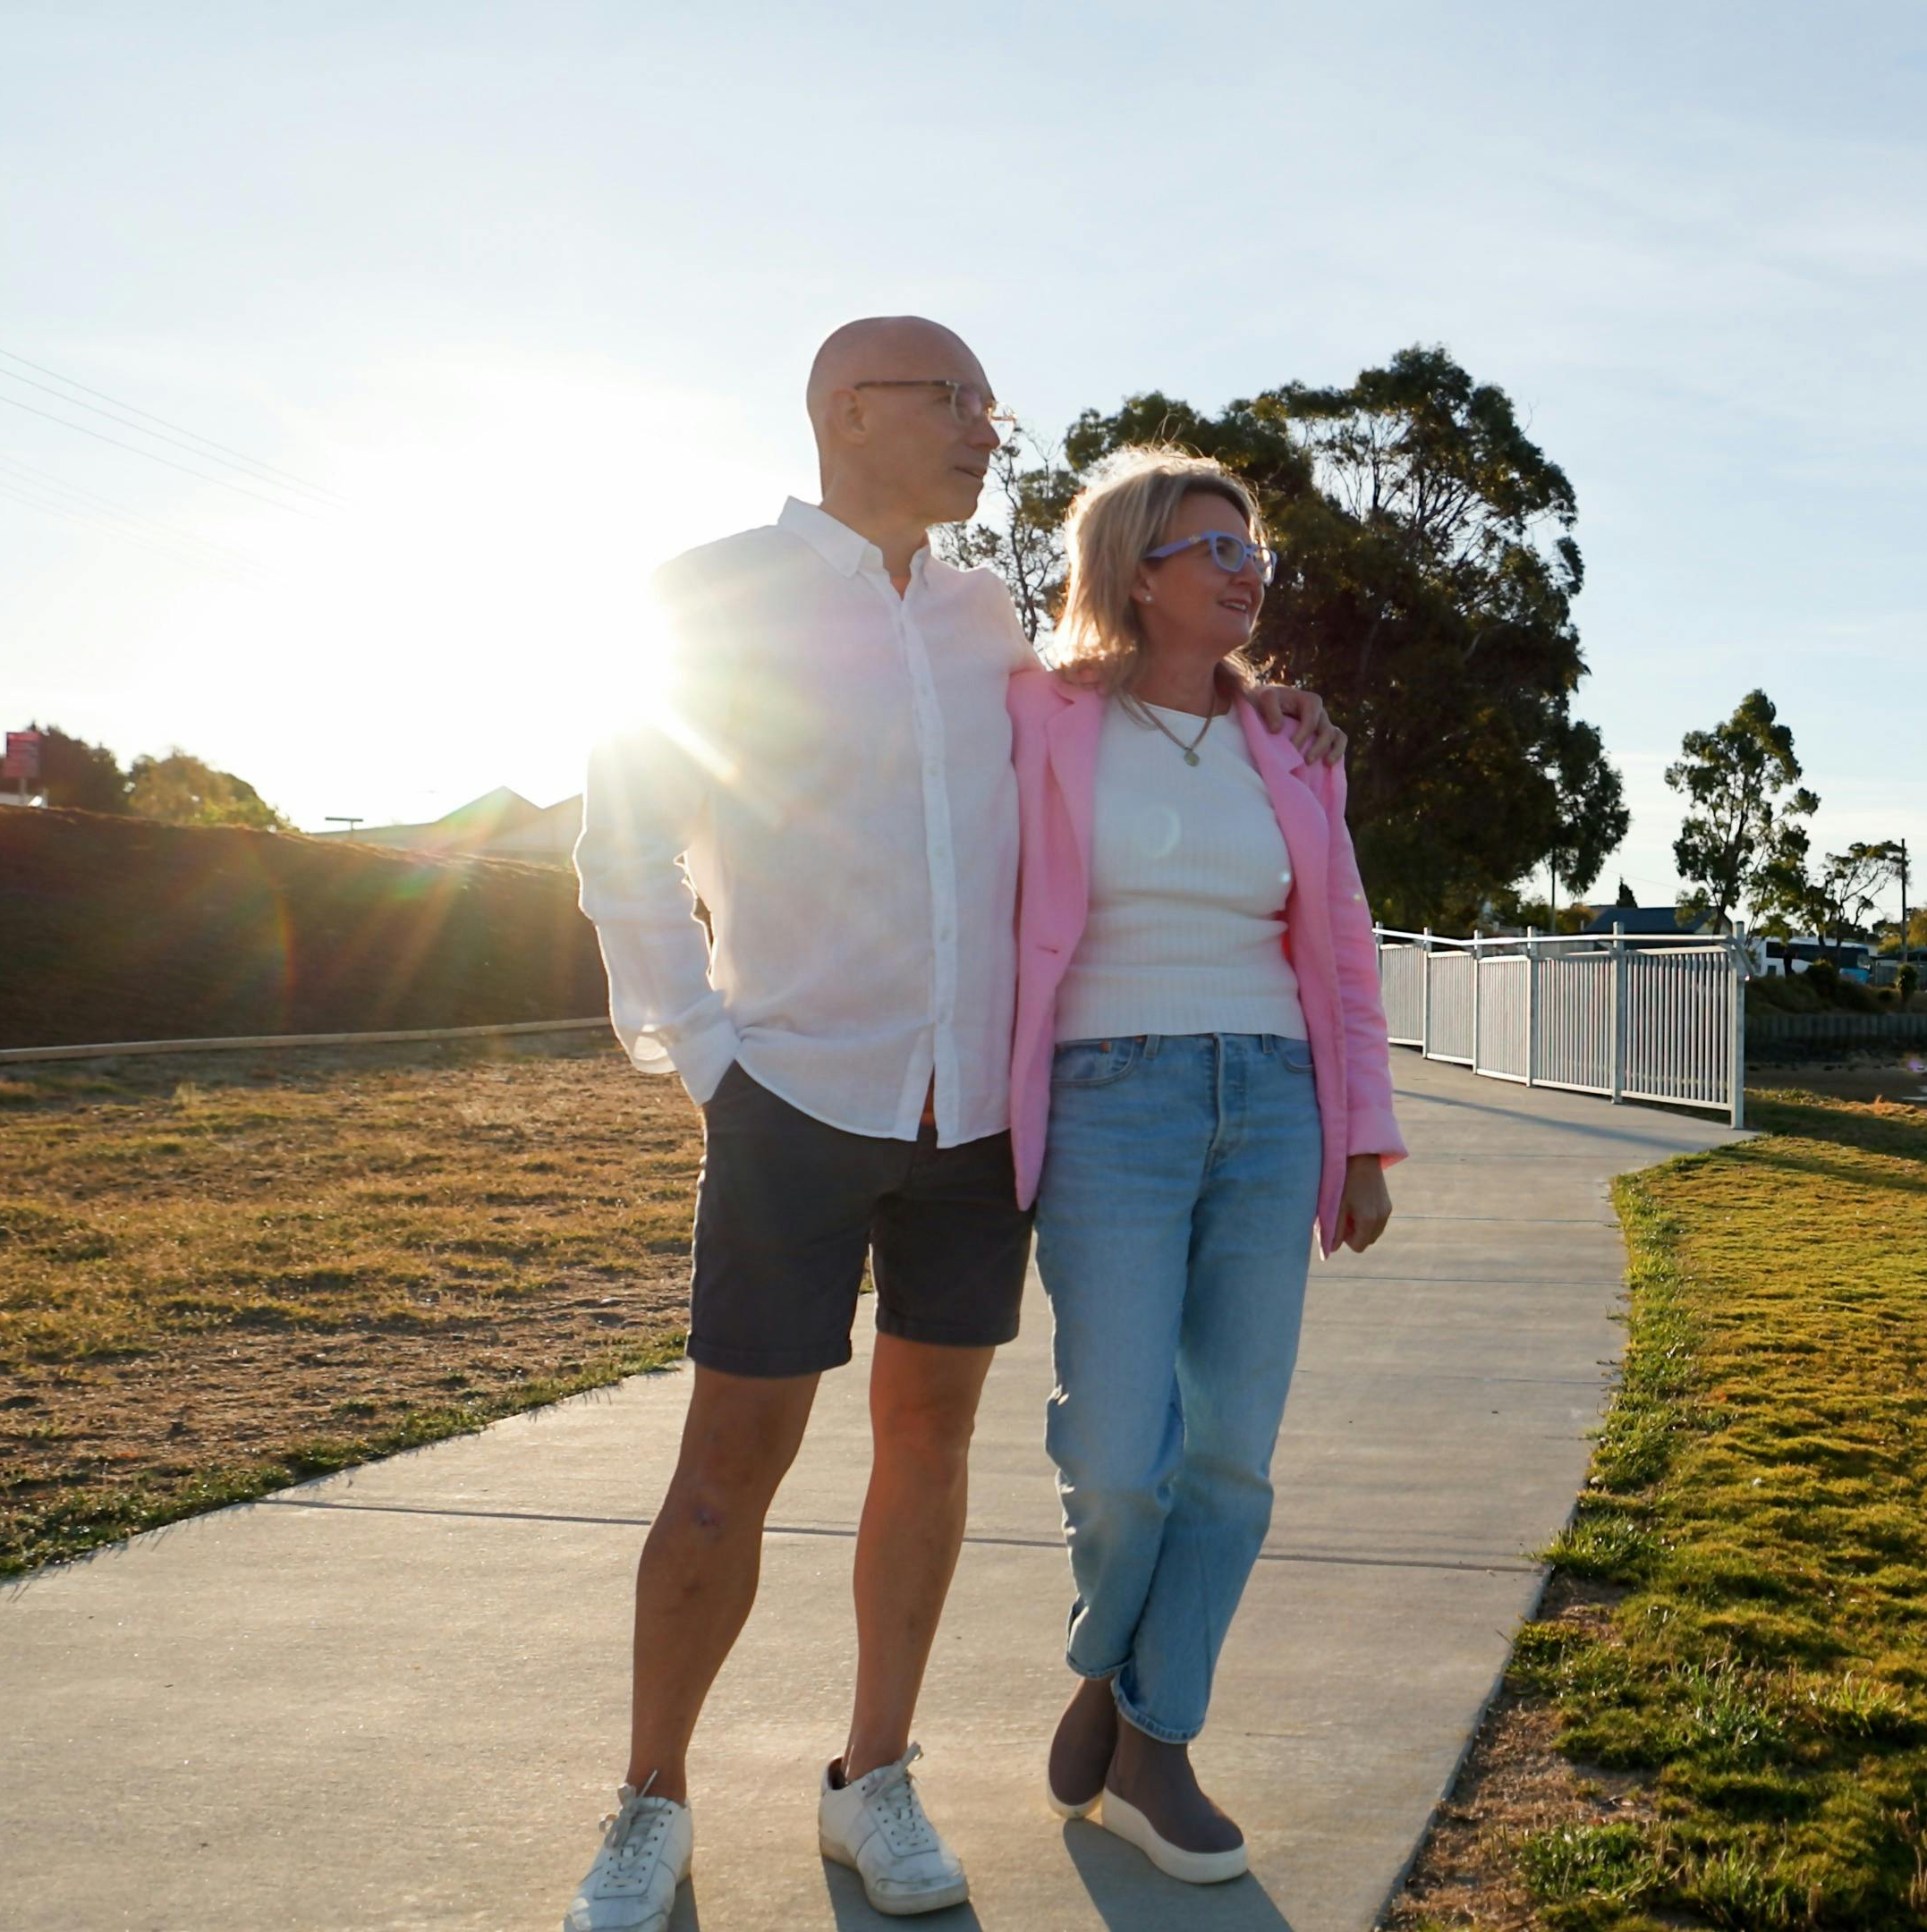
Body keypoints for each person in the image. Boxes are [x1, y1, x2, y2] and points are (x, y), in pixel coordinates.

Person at [562, 320, 1339, 1932]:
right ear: (850, 408)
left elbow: (1143, 708)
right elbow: (623, 846)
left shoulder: (992, 620)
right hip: (794, 1095)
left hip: (976, 1113)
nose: (990, 428)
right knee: (731, 1462)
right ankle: (648, 1804)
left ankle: (875, 1777)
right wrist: (709, 1054)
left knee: (931, 1446)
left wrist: (1284, 715)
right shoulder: (708, 599)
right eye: (957, 400)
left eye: (994, 404)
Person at [1005, 447, 1403, 1884]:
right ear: (1135, 571)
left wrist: (1364, 1137)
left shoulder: (1291, 744)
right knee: (1119, 1455)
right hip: (1108, 1099)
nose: (1247, 572)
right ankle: (1104, 1672)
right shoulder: (1038, 716)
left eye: (1255, 555)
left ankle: (1155, 1730)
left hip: (1275, 1098)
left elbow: (1344, 949)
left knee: (1230, 1449)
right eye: (1215, 549)